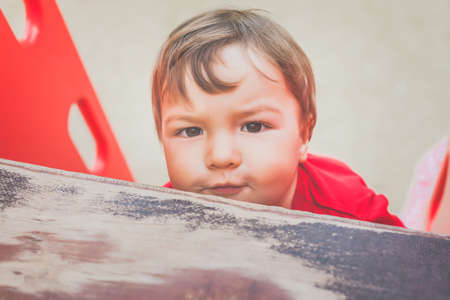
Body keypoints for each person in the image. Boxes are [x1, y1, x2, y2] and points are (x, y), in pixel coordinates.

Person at [151, 9, 404, 227]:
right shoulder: (151, 224)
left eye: (253, 126)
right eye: (191, 131)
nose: (221, 157)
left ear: (304, 134)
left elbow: (416, 270)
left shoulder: (350, 213)